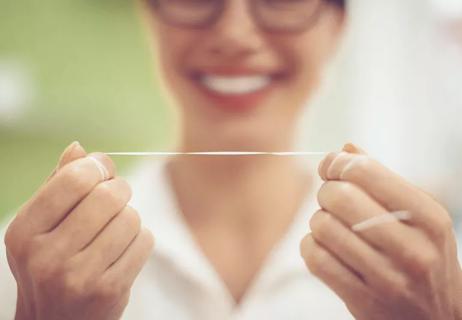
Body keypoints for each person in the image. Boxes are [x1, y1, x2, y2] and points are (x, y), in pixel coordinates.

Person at [1, 0, 461, 319]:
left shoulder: (428, 274)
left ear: (337, 25)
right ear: (150, 15)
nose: (235, 34)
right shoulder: (30, 268)